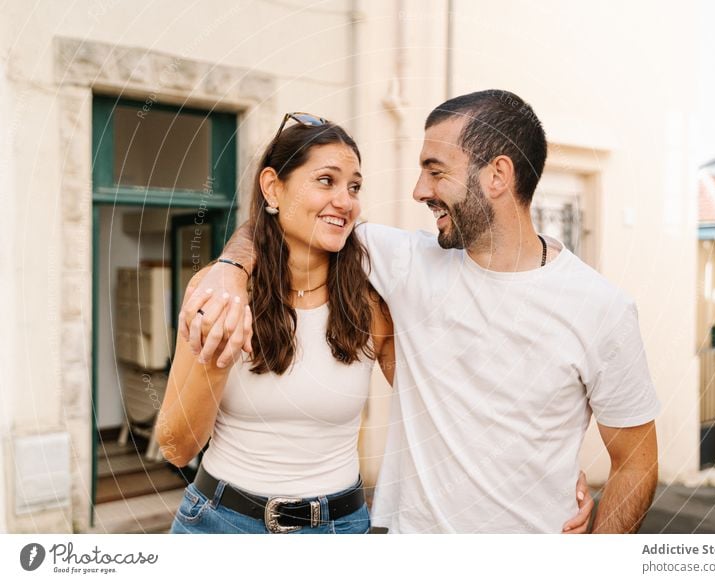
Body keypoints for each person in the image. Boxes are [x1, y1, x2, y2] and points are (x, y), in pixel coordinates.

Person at [183, 92, 650, 533]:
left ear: (497, 175)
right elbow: (287, 216)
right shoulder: (403, 261)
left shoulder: (601, 310)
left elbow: (638, 463)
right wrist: (230, 268)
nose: (418, 190)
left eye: (435, 171)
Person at [156, 115, 396, 534]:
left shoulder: (371, 305)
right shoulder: (221, 293)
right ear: (273, 187)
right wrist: (217, 355)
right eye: (326, 180)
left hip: (339, 530)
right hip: (221, 525)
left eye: (354, 187)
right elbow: (176, 447)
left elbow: (433, 404)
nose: (346, 200)